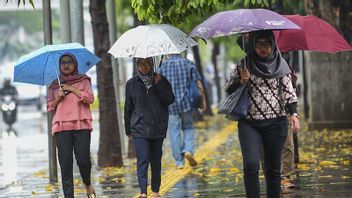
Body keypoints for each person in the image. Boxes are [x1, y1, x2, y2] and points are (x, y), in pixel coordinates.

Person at [224, 30, 300, 198]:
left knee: (272, 169)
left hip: (276, 123)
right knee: (251, 166)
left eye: (266, 44)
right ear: (253, 45)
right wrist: (240, 80)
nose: (263, 48)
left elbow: (289, 92)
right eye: (259, 45)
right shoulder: (244, 64)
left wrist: (294, 114)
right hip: (249, 124)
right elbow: (227, 88)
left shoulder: (281, 65)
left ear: (272, 45)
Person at [124, 57, 175, 198]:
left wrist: (160, 85)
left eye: (147, 63)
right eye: (141, 63)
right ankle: (143, 192)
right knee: (142, 159)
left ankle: (155, 190)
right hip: (139, 128)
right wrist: (127, 129)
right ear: (137, 65)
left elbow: (170, 100)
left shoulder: (161, 80)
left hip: (157, 128)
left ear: (152, 64)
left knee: (156, 160)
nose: (144, 66)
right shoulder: (131, 84)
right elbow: (128, 107)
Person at [47, 53, 96, 198]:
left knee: (83, 160)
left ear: (75, 64)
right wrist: (58, 98)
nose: (66, 65)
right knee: (65, 164)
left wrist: (72, 89)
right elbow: (49, 107)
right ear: (59, 66)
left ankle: (87, 184)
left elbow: (90, 99)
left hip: (82, 125)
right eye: (63, 62)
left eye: (69, 62)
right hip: (61, 127)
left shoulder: (84, 80)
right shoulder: (55, 85)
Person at [158, 54, 206, 169]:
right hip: (187, 103)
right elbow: (199, 84)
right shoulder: (188, 63)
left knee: (174, 132)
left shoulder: (163, 66)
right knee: (188, 127)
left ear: (169, 52)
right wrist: (203, 101)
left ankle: (179, 162)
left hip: (170, 105)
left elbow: (158, 86)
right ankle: (188, 150)